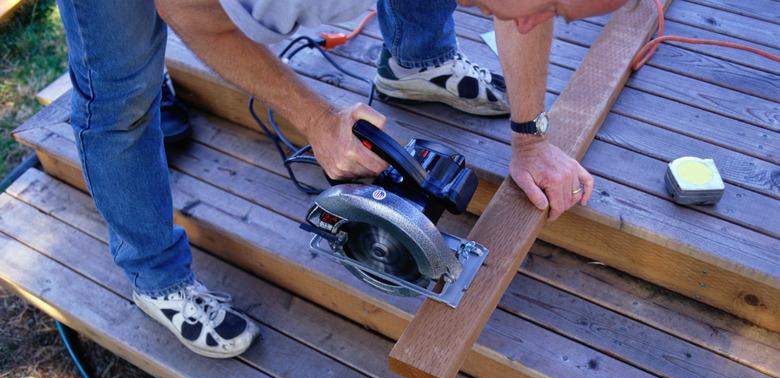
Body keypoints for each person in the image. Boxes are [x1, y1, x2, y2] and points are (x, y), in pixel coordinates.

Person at [55, 0, 626, 359]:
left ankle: (415, 60)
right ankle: (156, 279)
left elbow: (522, 12)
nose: (535, 22)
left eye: (559, 16)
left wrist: (530, 140)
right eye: (547, 6)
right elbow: (193, 15)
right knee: (120, 98)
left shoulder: (528, 5)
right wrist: (317, 119)